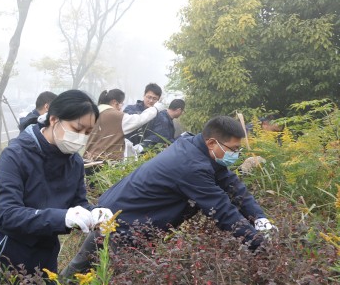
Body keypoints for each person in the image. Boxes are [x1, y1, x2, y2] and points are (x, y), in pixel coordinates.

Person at [63, 116, 274, 276]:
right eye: (233, 149)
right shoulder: (192, 166)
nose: (236, 154)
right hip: (124, 223)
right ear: (212, 143)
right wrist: (262, 247)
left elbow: (232, 185)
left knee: (79, 269)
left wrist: (260, 218)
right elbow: (222, 211)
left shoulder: (196, 147)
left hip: (117, 211)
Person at [0, 90, 112, 285]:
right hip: (7, 254)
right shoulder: (15, 156)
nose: (81, 138)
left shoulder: (74, 162)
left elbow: (77, 202)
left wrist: (94, 213)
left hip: (45, 255)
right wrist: (62, 218)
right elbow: (5, 214)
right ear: (54, 119)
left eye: (87, 132)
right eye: (77, 129)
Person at [84, 88, 164, 163]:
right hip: (103, 162)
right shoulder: (114, 115)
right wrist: (155, 109)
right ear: (115, 102)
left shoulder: (94, 113)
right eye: (121, 103)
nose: (121, 108)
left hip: (88, 159)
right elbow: (139, 120)